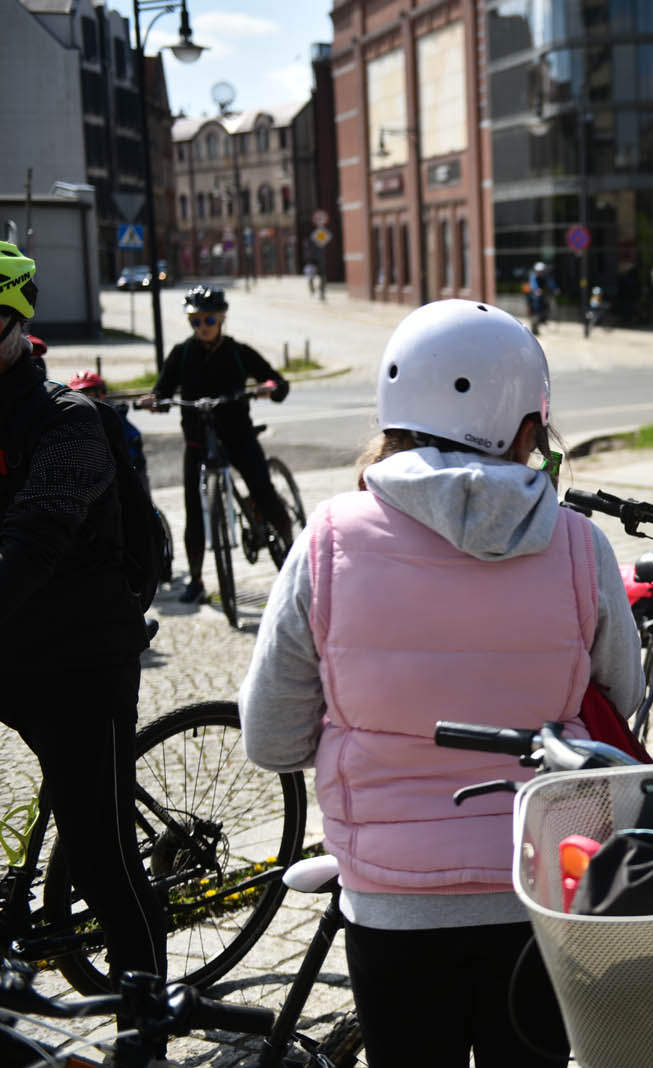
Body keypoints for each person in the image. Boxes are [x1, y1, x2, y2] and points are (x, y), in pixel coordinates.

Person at [238, 299, 643, 1068]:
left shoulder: (327, 540)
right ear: (529, 429)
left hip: (390, 903)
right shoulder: (579, 545)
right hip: (540, 892)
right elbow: (617, 705)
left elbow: (270, 738)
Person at [0, 242, 166, 1056]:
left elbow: (29, 547)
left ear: (13, 320)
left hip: (77, 662)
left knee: (101, 857)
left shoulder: (68, 423)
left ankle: (148, 1025)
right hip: (8, 649)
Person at [141, 284, 290, 603]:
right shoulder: (181, 355)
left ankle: (292, 558)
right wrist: (155, 401)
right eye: (196, 321)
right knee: (194, 512)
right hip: (197, 442)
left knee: (263, 492)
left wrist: (268, 387)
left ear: (221, 319)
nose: (203, 327)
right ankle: (196, 580)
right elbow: (163, 391)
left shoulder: (238, 352)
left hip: (238, 435)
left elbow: (277, 381)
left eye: (209, 320)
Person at [70, 369, 147, 484]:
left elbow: (132, 445)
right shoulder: (71, 422)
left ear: (101, 394)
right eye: (82, 394)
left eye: (91, 393)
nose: (87, 400)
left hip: (123, 473)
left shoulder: (115, 415)